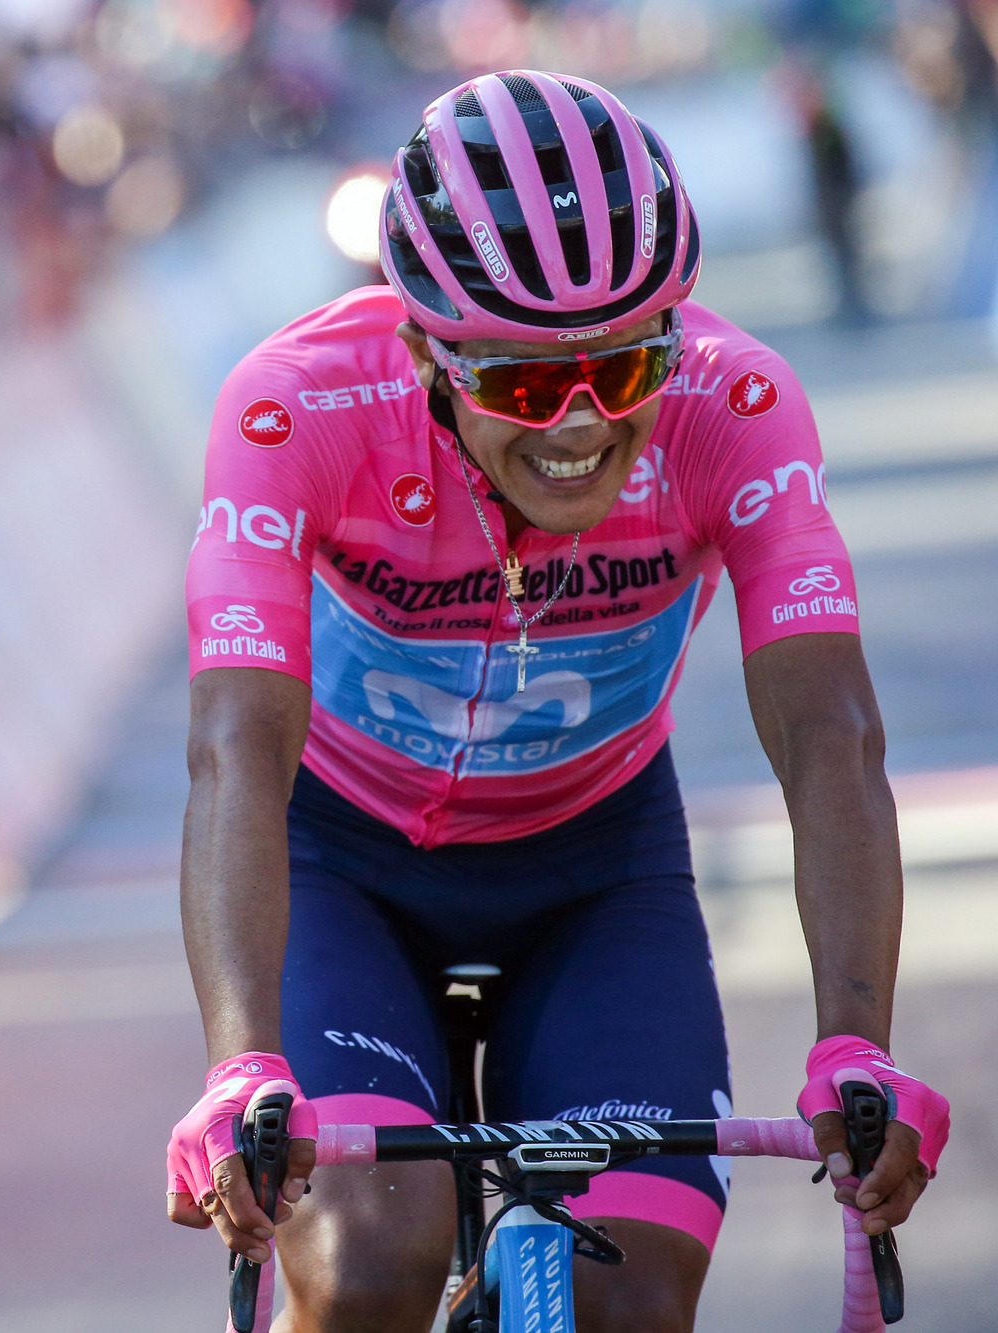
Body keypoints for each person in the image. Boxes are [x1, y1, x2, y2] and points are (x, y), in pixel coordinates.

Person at [165, 70, 949, 1330]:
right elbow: (234, 748)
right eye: (525, 385)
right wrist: (238, 1060)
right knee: (364, 1268)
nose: (583, 420)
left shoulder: (731, 404)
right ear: (423, 341)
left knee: (632, 1300)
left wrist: (853, 1042)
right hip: (341, 862)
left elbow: (829, 736)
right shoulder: (295, 403)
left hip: (595, 864)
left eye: (627, 362)